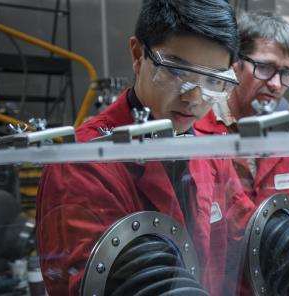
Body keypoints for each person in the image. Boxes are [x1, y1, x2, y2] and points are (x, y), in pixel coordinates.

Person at [35, 1, 255, 295]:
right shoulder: (84, 164)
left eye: (212, 80)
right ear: (138, 55)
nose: (194, 98)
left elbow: (243, 241)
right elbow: (94, 284)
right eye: (177, 72)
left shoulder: (208, 150)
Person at [193, 12, 289, 221]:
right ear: (234, 63)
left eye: (286, 73)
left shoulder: (281, 134)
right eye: (264, 67)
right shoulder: (197, 126)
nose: (276, 84)